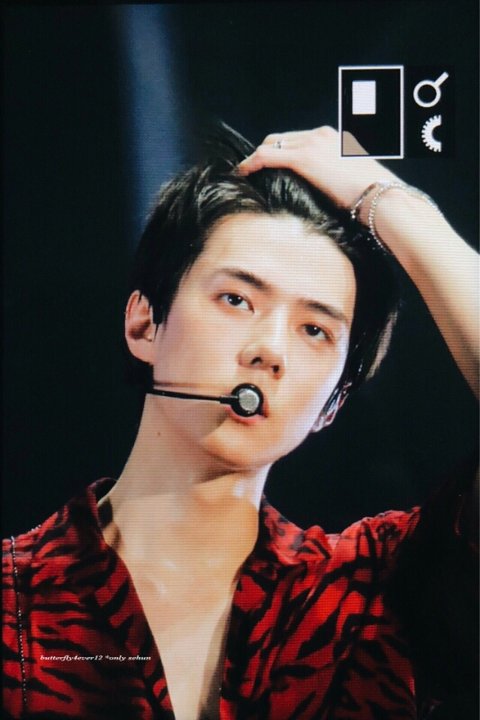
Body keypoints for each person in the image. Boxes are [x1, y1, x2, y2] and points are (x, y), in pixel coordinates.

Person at [2, 124, 478, 720]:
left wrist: (391, 202)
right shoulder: (13, 599)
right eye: (236, 300)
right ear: (144, 325)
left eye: (314, 330)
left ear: (333, 403)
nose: (269, 350)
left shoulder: (374, 595)